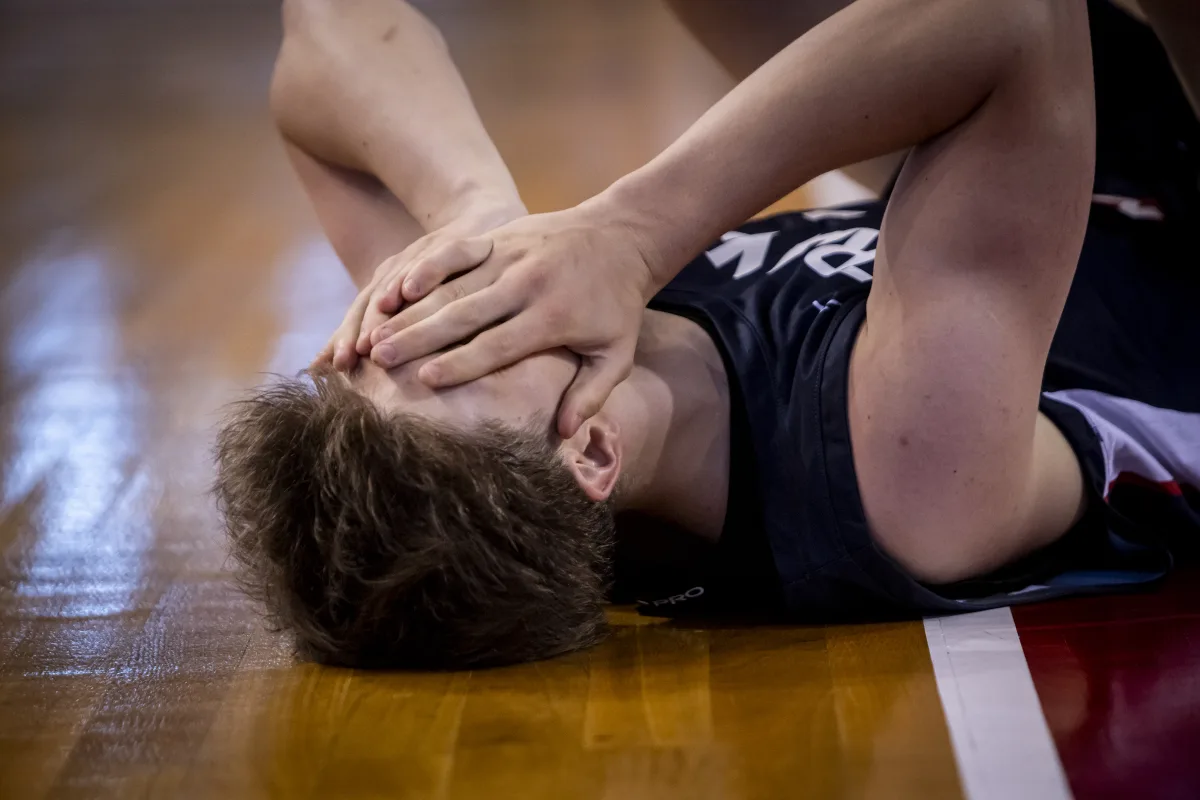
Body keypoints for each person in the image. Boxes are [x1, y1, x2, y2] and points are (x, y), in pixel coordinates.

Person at [214, 0, 1200, 669]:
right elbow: (1019, 20)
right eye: (444, 355)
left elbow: (324, 31)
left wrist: (470, 204)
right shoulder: (905, 473)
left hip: (1080, 170)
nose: (425, 311)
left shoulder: (491, 425)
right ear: (590, 447)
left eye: (369, 343)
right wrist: (633, 231)